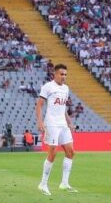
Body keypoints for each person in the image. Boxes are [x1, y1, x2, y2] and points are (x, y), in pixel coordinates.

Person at [36, 64, 77, 195]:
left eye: (65, 74)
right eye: (61, 74)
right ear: (55, 74)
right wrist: (40, 121)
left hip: (63, 123)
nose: (64, 76)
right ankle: (43, 184)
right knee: (53, 152)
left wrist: (69, 121)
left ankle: (64, 183)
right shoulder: (48, 87)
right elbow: (39, 105)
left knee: (70, 152)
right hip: (51, 122)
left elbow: (63, 107)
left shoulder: (66, 88)